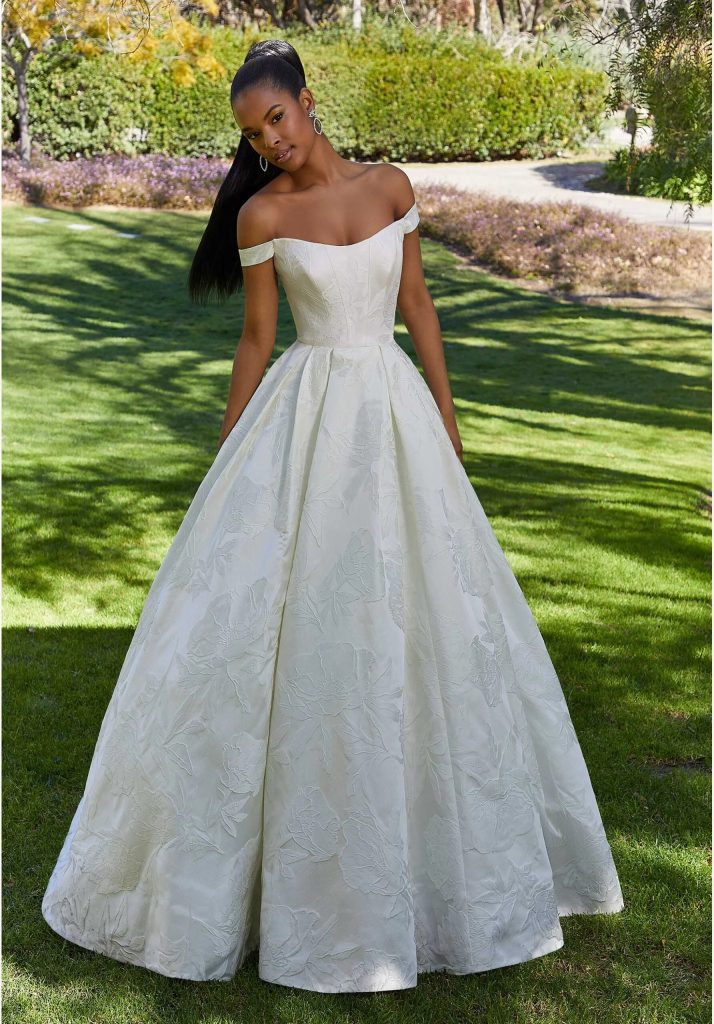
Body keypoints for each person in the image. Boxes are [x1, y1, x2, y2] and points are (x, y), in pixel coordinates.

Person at [41, 39, 624, 994]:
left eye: (276, 118)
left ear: (307, 101)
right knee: (299, 617)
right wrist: (231, 450)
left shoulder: (393, 188)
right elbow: (258, 340)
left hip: (393, 414)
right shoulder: (264, 215)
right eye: (252, 134)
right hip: (307, 419)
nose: (268, 143)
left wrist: (447, 417)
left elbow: (419, 308)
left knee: (430, 616)